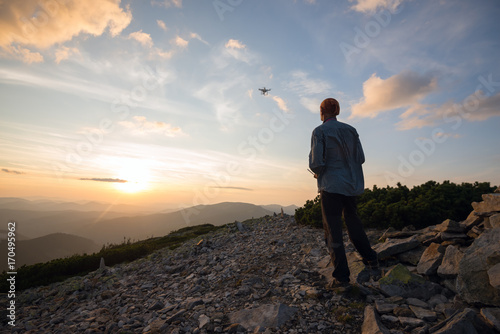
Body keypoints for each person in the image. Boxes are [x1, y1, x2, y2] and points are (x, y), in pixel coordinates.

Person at [309, 98, 379, 287]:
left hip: (331, 187)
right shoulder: (351, 130)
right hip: (351, 186)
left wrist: (319, 172)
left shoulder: (319, 131)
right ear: (338, 111)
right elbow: (361, 158)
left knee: (333, 231)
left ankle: (342, 278)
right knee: (353, 223)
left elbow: (316, 163)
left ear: (322, 111)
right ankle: (371, 259)